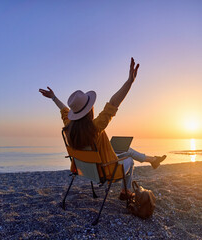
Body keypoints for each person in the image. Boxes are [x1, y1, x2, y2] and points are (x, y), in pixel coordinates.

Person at [39, 57, 166, 200]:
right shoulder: (95, 127)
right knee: (130, 160)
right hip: (104, 171)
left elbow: (63, 109)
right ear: (89, 109)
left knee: (127, 150)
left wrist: (54, 97)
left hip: (85, 170)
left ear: (74, 113)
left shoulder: (68, 127)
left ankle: (153, 160)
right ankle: (126, 191)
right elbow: (113, 103)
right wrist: (129, 82)